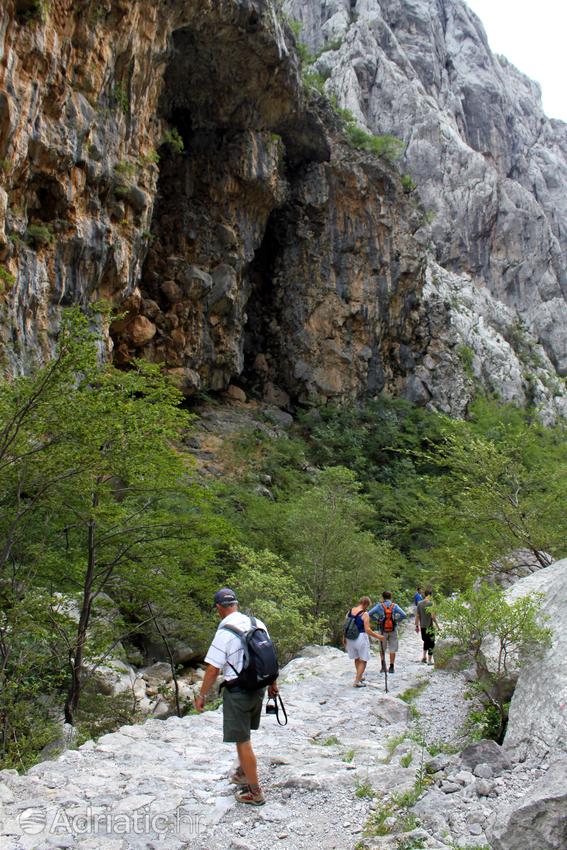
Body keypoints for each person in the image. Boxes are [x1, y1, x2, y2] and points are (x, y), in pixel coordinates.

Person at [195, 588, 278, 806]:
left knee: (243, 741)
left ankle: (254, 792)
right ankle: (243, 772)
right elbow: (268, 653)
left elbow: (213, 669)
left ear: (219, 608)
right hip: (258, 687)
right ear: (236, 604)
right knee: (245, 734)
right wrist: (273, 684)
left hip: (238, 691)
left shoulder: (224, 632)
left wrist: (202, 695)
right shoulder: (256, 623)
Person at [344, 596, 384, 687]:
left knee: (356, 658)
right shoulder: (364, 614)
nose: (367, 608)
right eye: (368, 606)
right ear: (365, 604)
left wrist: (344, 638)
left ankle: (359, 676)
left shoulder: (350, 611)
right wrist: (378, 637)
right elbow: (368, 630)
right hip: (360, 637)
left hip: (349, 638)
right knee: (363, 660)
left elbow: (346, 625)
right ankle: (357, 681)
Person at [368, 591, 406, 674]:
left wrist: (377, 620)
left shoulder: (379, 606)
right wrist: (396, 621)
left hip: (382, 630)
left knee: (382, 648)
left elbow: (369, 614)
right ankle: (391, 667)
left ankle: (383, 666)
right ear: (390, 597)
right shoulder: (394, 606)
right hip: (393, 629)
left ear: (383, 597)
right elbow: (404, 614)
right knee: (392, 648)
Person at [415, 586, 440, 664]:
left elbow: (417, 616)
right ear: (430, 595)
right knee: (431, 643)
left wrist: (416, 626)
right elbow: (433, 617)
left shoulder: (419, 603)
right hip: (430, 626)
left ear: (424, 595)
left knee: (426, 641)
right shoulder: (432, 603)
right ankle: (429, 660)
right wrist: (438, 627)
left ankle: (424, 657)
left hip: (422, 626)